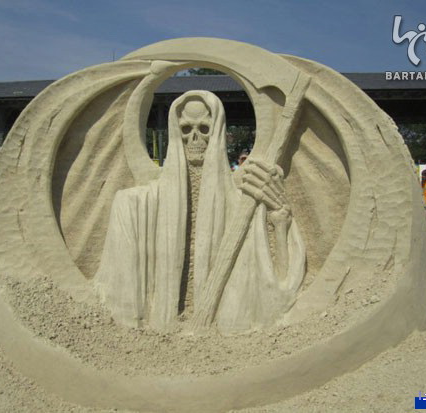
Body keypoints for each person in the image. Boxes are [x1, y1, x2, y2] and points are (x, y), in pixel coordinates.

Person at [95, 91, 305, 333]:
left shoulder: (243, 206)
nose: (194, 138)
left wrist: (280, 222)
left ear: (217, 132)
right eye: (186, 129)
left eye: (204, 129)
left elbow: (273, 285)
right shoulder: (134, 205)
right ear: (175, 133)